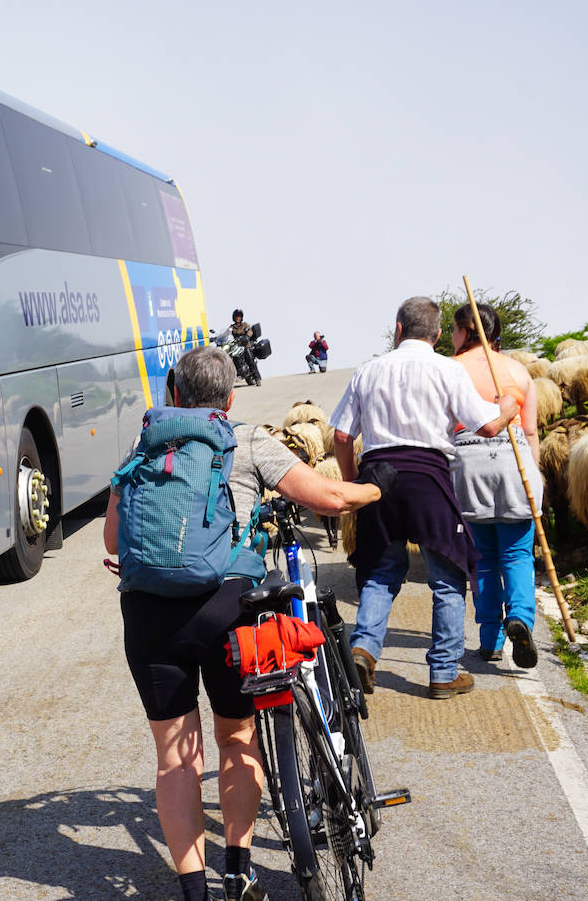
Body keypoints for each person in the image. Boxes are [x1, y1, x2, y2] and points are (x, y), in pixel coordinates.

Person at [103, 344, 386, 901]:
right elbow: (329, 497)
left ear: (173, 394)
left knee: (175, 759)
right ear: (230, 399)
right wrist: (379, 487)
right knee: (236, 738)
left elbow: (114, 540)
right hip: (227, 610)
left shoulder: (145, 444)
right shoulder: (247, 440)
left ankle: (193, 891)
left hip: (149, 614)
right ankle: (237, 871)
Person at [329, 296, 519, 700]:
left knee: (380, 571)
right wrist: (507, 407)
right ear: (437, 335)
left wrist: (353, 485)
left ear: (398, 329)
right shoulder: (448, 369)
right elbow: (488, 427)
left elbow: (342, 436)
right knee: (447, 576)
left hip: (378, 478)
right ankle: (443, 673)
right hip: (430, 477)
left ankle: (364, 650)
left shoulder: (368, 370)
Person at [448, 303, 543, 669]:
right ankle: (519, 616)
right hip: (514, 460)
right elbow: (530, 431)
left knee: (483, 559)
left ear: (465, 330)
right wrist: (535, 478)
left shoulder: (450, 369)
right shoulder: (517, 371)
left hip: (468, 463)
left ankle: (490, 639)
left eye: (454, 330)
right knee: (517, 554)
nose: (451, 337)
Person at [227, 309, 259, 384]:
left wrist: (247, 336)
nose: (238, 318)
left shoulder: (245, 325)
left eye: (239, 317)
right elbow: (227, 333)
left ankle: (257, 378)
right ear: (234, 317)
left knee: (250, 360)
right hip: (236, 346)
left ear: (241, 317)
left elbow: (250, 331)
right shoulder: (232, 327)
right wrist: (218, 337)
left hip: (245, 345)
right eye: (236, 316)